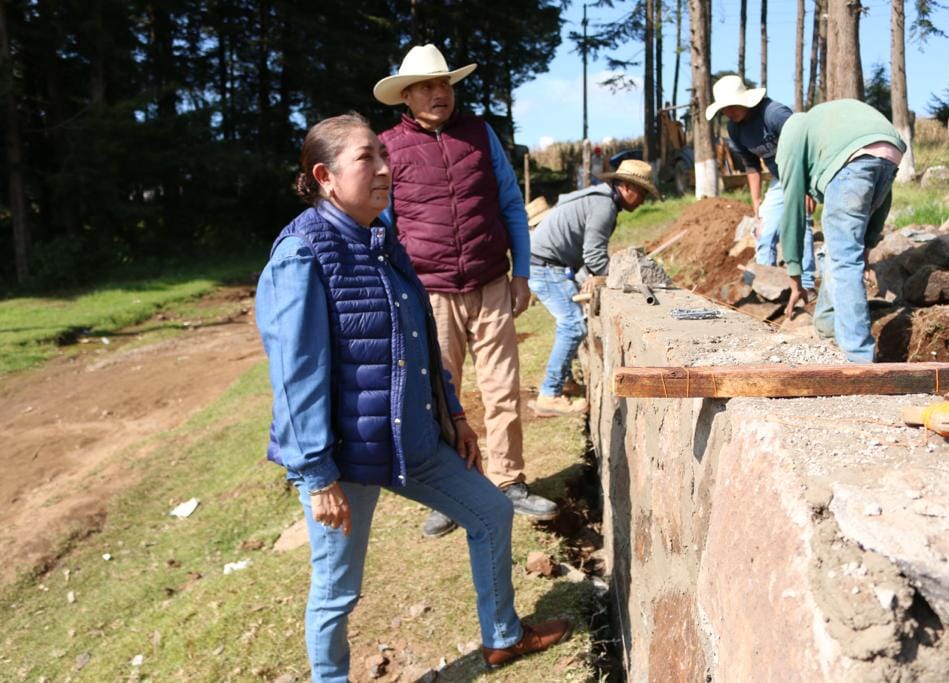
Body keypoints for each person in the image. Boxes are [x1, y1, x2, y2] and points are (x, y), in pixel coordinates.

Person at [254, 114, 572, 681]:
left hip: (410, 437)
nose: (384, 168)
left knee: (493, 512)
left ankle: (502, 637)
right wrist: (317, 475)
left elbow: (420, 339)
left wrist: (454, 414)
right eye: (367, 159)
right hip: (343, 457)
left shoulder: (383, 238)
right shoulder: (301, 254)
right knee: (338, 590)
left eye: (383, 154)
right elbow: (295, 376)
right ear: (325, 176)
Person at [373, 44, 557, 538]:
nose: (439, 94)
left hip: (492, 281)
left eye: (445, 85)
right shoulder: (388, 147)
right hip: (429, 294)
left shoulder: (480, 135)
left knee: (501, 388)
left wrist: (522, 273)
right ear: (406, 97)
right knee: (435, 397)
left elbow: (512, 204)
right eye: (427, 87)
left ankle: (509, 481)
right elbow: (383, 224)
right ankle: (452, 492)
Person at [777, 99, 906, 363]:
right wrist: (868, 243)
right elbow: (884, 197)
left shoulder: (791, 135)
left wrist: (794, 275)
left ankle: (858, 359)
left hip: (852, 163)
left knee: (845, 259)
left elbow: (791, 209)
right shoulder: (824, 126)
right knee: (839, 252)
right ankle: (827, 326)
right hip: (891, 152)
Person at [528, 159, 660, 416]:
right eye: (642, 193)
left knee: (570, 322)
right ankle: (549, 394)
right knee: (573, 324)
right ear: (627, 187)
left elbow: (587, 253)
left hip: (547, 262)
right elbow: (595, 256)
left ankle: (563, 380)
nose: (643, 200)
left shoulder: (599, 198)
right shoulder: (604, 206)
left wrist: (593, 273)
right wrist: (618, 276)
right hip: (545, 266)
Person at [705, 75, 817, 291]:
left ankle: (807, 285)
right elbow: (751, 165)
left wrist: (807, 187)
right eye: (723, 109)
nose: (728, 113)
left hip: (803, 174)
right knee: (764, 230)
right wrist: (756, 199)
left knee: (800, 226)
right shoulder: (735, 129)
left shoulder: (774, 114)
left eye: (731, 107)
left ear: (744, 100)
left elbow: (807, 147)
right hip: (780, 179)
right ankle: (767, 287)